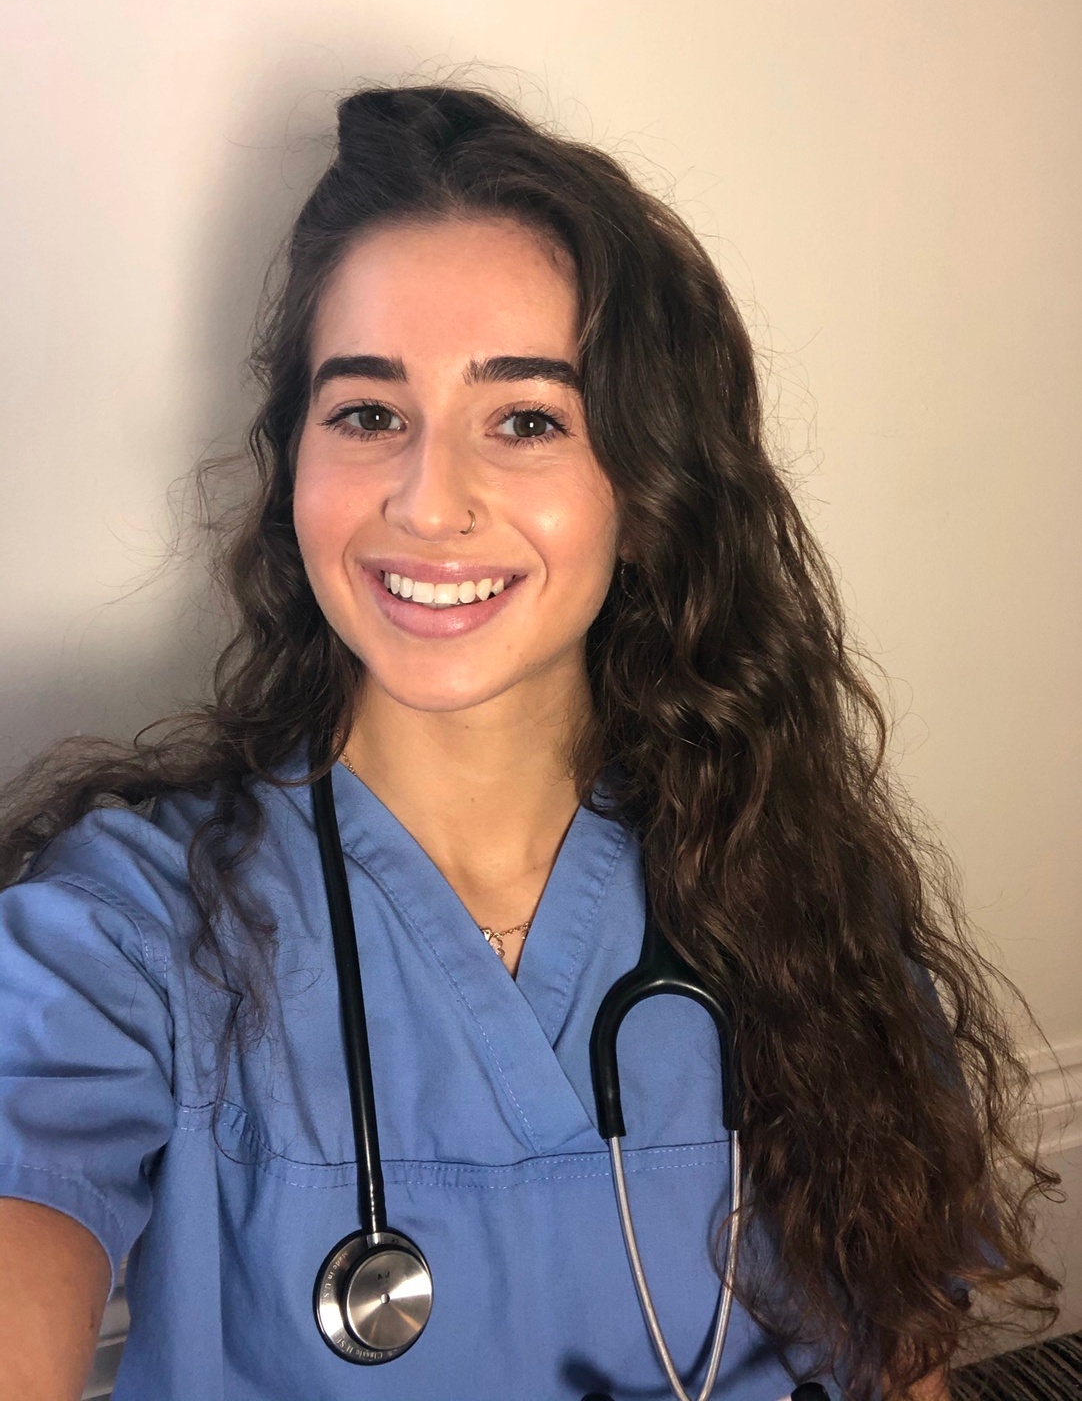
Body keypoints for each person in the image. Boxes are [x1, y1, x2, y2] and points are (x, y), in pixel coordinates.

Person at [0, 83, 1060, 1401]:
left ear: (648, 485)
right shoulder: (126, 932)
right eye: (369, 413)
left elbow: (901, 1361)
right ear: (294, 463)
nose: (428, 500)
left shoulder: (796, 889)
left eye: (526, 420)